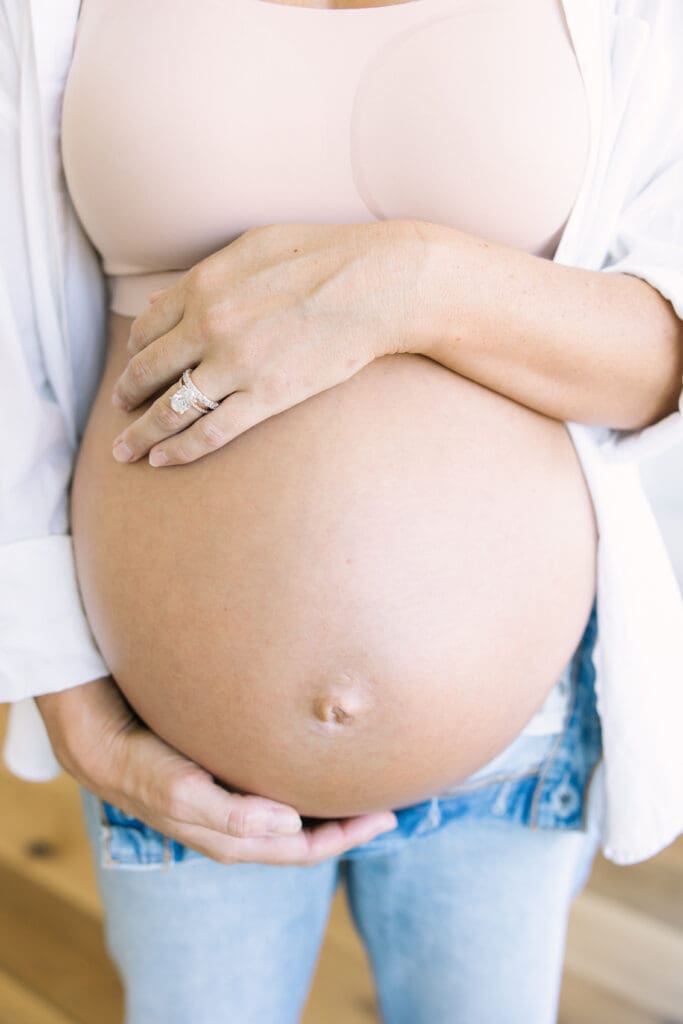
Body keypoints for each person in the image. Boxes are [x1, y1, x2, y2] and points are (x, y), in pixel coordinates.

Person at [1, 1, 682, 1022]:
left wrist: (412, 286)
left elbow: (661, 354)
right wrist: (67, 699)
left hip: (518, 738)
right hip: (167, 753)